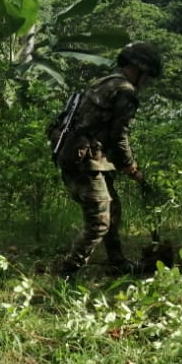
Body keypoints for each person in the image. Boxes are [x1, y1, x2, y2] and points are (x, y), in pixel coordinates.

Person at [53, 42, 163, 280]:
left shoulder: (105, 82)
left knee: (112, 209)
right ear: (138, 68)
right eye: (147, 76)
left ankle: (117, 263)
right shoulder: (125, 91)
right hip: (86, 162)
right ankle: (66, 273)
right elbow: (119, 136)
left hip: (76, 155)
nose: (147, 82)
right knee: (99, 222)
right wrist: (132, 168)